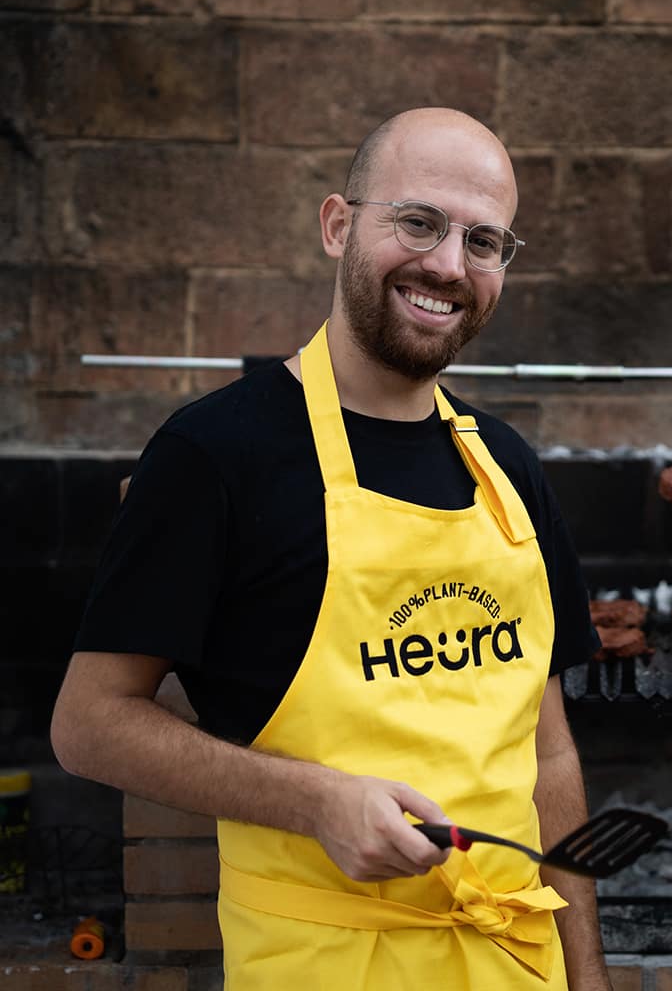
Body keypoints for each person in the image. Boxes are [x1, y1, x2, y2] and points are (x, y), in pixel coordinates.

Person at [51, 108, 612, 990]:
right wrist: (316, 801)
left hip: (514, 962)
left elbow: (549, 756)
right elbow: (88, 726)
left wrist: (587, 979)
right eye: (419, 222)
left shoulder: (506, 465)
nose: (448, 266)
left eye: (485, 241)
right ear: (338, 225)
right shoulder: (215, 456)